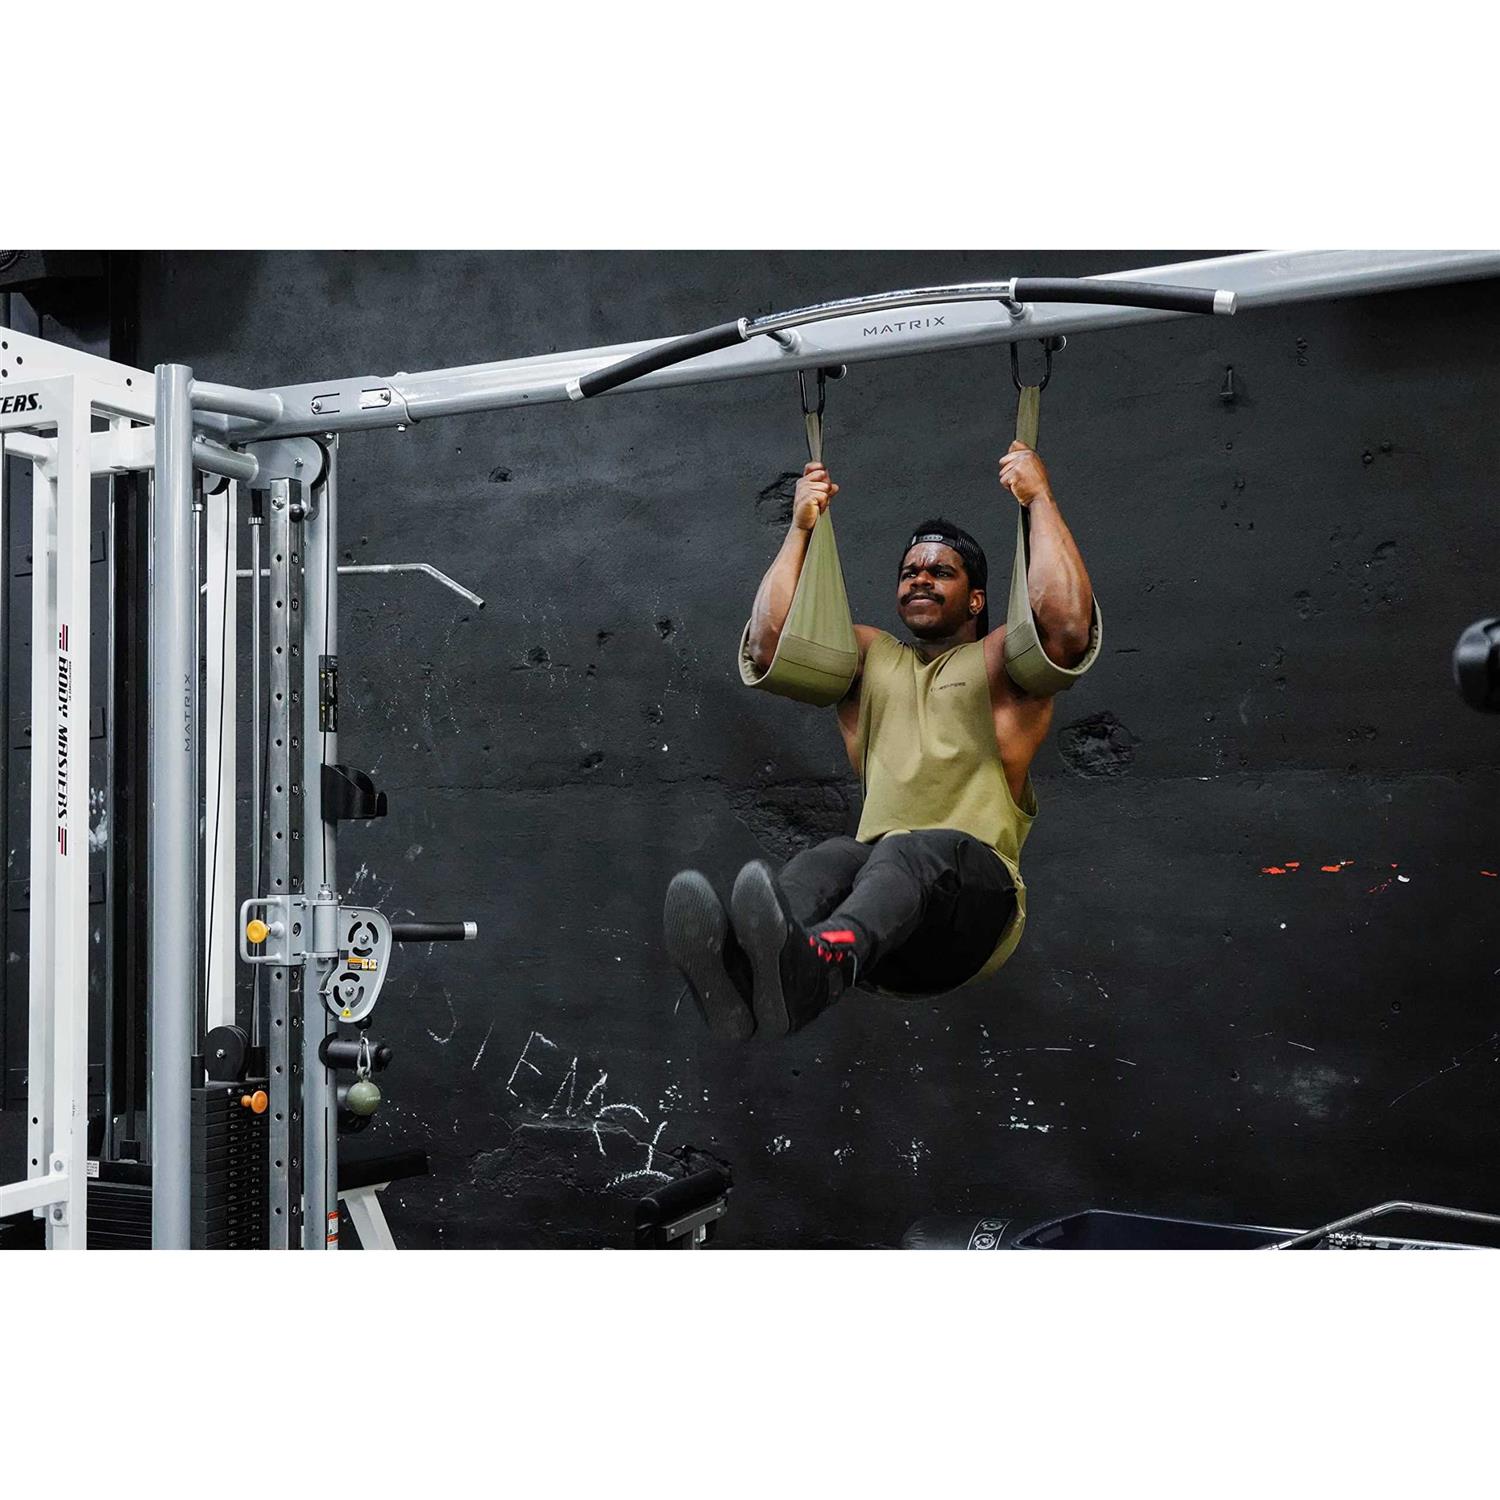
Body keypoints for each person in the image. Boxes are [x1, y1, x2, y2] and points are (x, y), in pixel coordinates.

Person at [665, 441, 1096, 1040]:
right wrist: (799, 529)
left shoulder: (1003, 666)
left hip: (973, 914)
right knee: (837, 856)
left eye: (940, 571)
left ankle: (820, 962)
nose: (920, 577)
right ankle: (752, 975)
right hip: (886, 934)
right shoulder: (871, 659)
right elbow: (770, 644)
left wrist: (1039, 498)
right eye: (909, 571)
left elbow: (1067, 623)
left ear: (976, 599)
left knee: (902, 849)